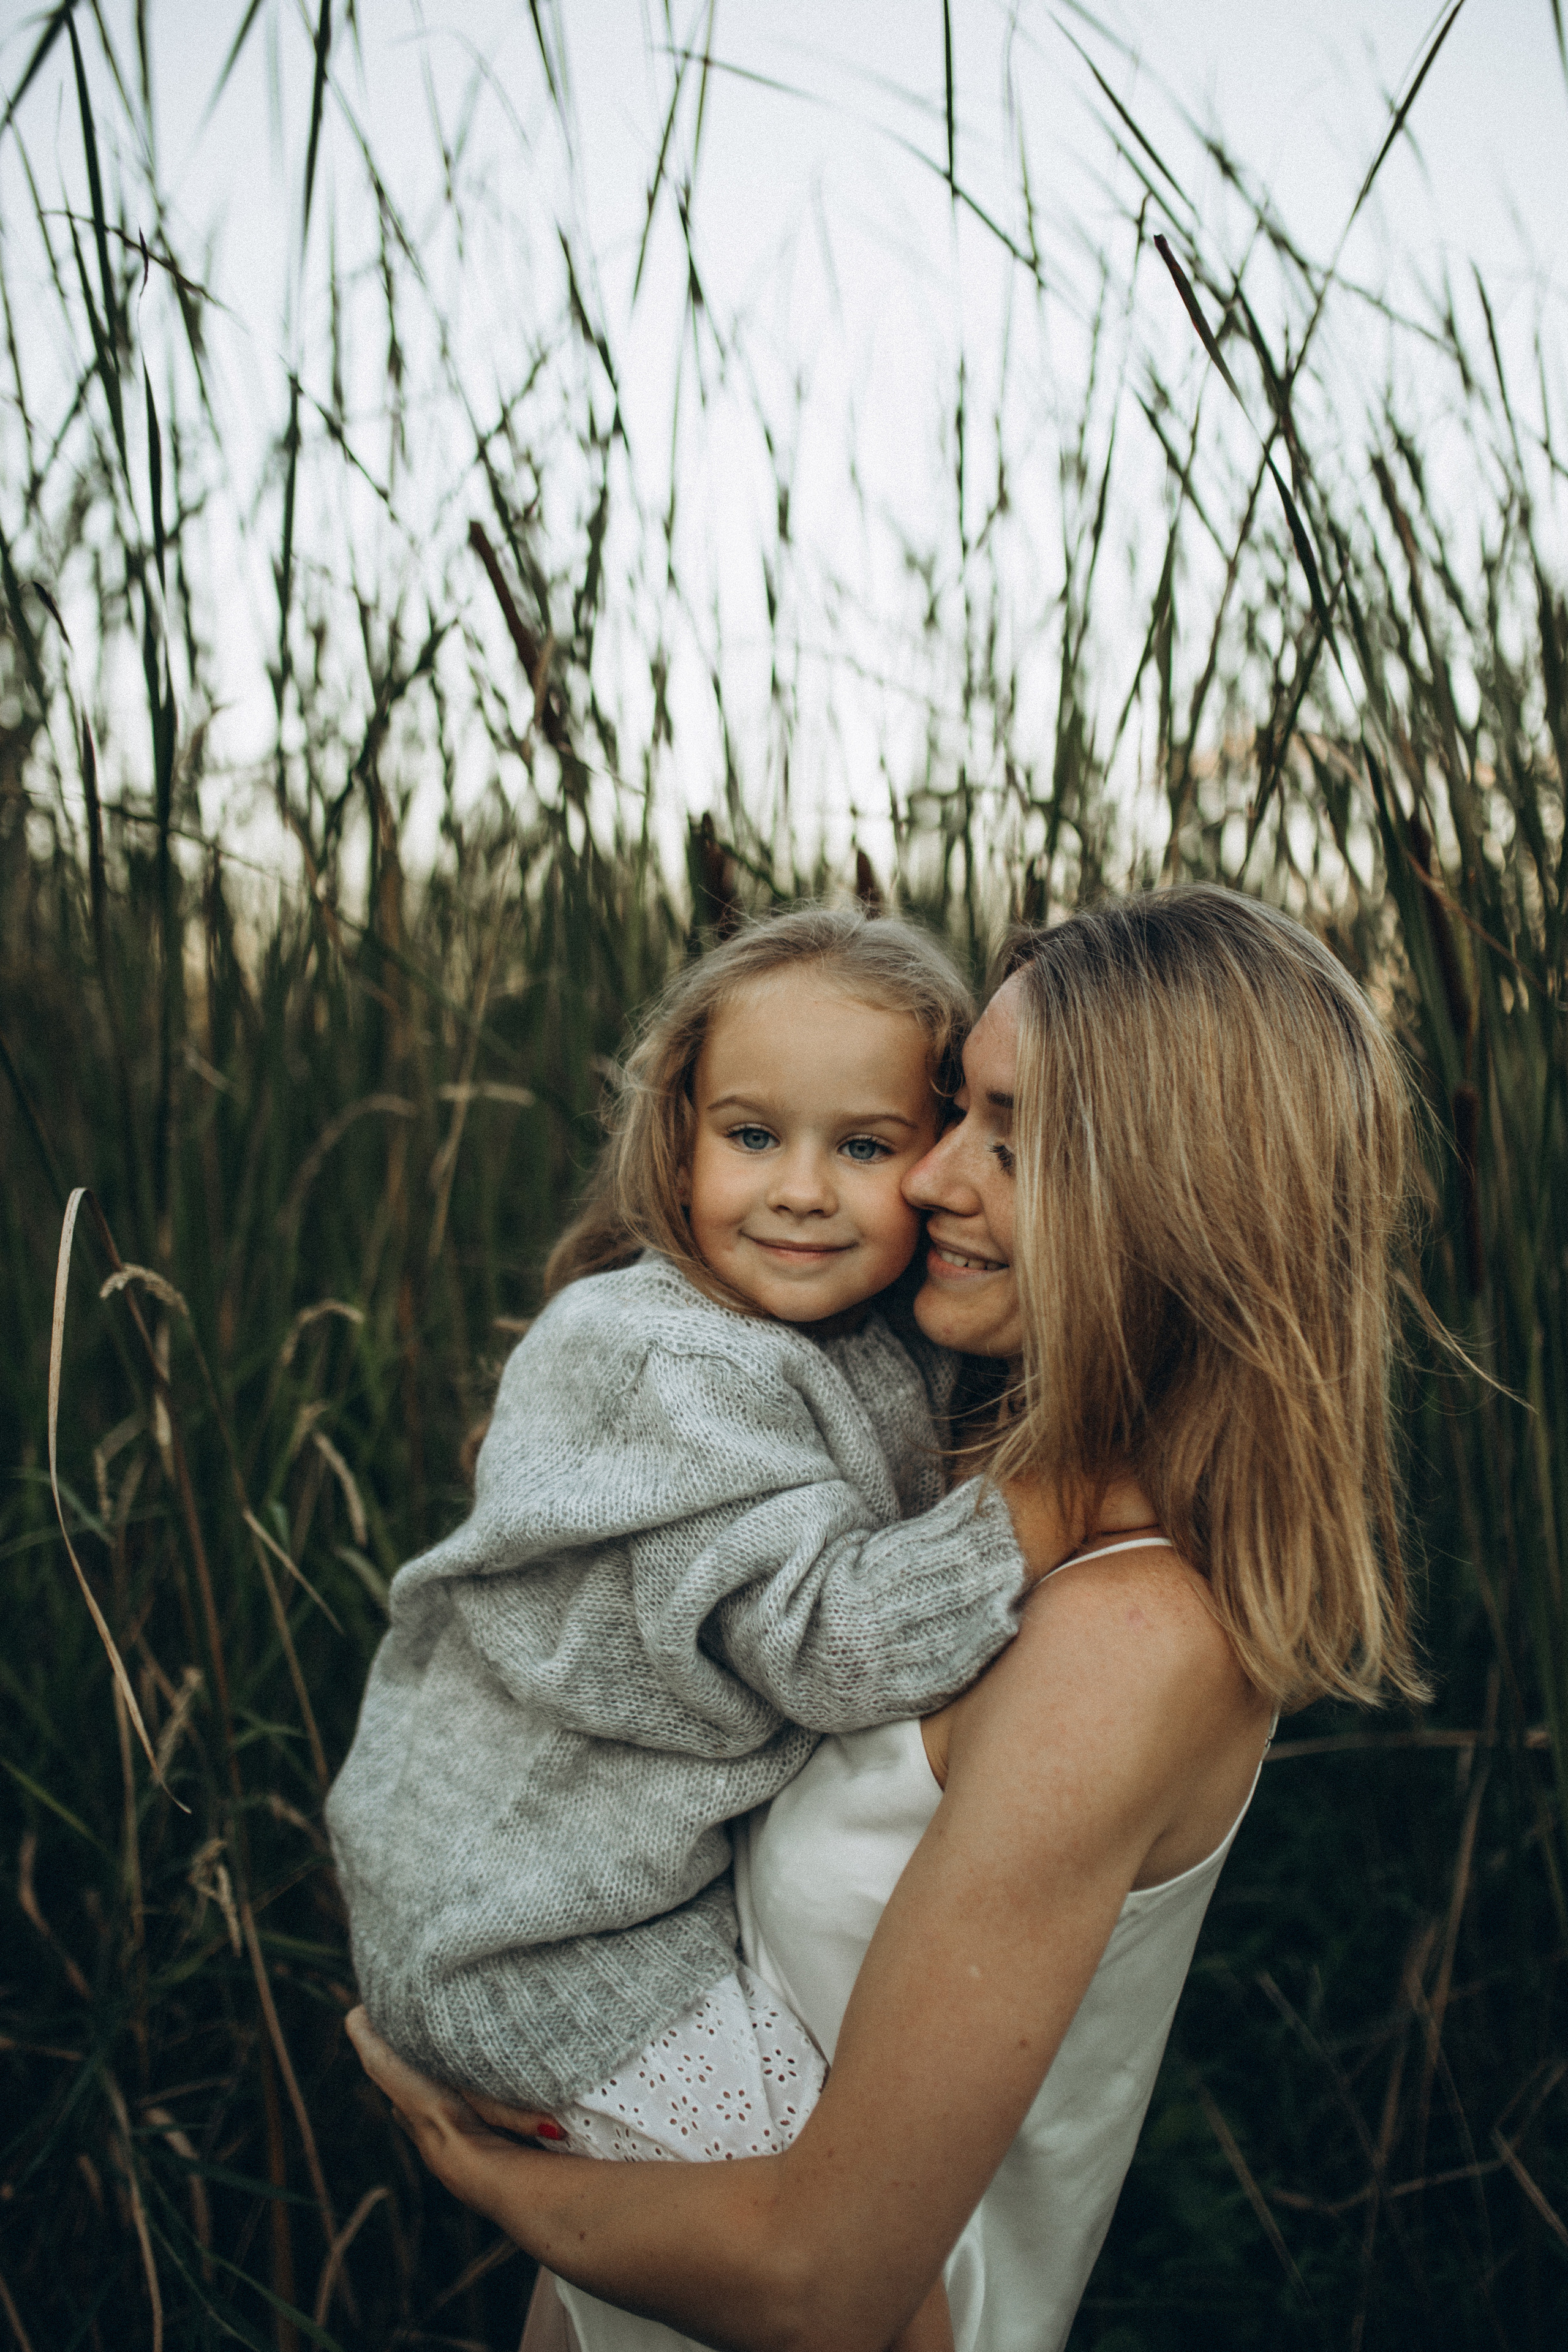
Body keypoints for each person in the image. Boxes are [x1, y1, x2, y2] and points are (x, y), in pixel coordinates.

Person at [349, 886, 1431, 2352]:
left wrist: (488, 2175)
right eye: (949, 1113)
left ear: (1171, 1201)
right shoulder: (926, 1444)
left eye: (1006, 1141)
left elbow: (823, 2286)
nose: (925, 1178)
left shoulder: (1125, 1637)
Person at [328, 908, 1063, 2215]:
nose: (801, 1189)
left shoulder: (855, 1327)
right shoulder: (671, 1362)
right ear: (676, 1137)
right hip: (530, 1942)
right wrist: (1050, 1509)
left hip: (619, 1909)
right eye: (751, 1136)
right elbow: (825, 1647)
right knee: (818, 2232)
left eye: (863, 1146)